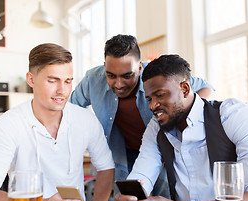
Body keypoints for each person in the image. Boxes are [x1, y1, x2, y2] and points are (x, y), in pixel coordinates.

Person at [114, 54, 248, 201]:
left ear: (185, 89)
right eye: (149, 99)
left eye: (160, 95)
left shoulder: (233, 115)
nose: (152, 106)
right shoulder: (156, 127)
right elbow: (141, 177)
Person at [0, 43, 115, 201]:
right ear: (31, 80)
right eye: (52, 81)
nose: (62, 90)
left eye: (68, 81)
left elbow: (106, 167)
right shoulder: (7, 125)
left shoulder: (85, 120)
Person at [69, 35, 214, 193]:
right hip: (122, 153)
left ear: (139, 67)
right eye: (111, 75)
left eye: (127, 76)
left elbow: (205, 87)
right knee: (127, 200)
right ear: (104, 67)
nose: (118, 84)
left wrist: (181, 121)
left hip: (160, 148)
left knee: (165, 199)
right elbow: (69, 109)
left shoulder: (157, 77)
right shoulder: (92, 80)